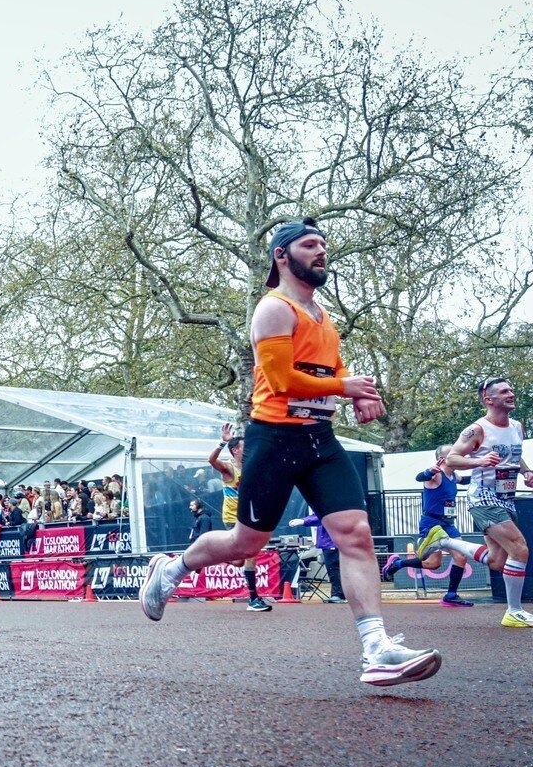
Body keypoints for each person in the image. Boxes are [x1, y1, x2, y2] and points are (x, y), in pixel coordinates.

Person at [140, 218, 441, 687]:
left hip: (320, 439)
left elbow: (333, 369)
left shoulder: (324, 319)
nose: (321, 251)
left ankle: (377, 648)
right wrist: (344, 386)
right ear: (282, 255)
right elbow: (280, 382)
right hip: (274, 438)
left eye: (323, 245)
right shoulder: (273, 310)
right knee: (247, 544)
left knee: (356, 534)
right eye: (309, 244)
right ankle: (172, 568)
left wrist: (358, 393)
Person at [422, 377, 533, 627]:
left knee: (497, 561)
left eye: (511, 390)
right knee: (520, 548)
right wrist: (479, 461)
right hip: (483, 497)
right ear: (488, 398)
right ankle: (514, 611)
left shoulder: (517, 426)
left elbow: (514, 454)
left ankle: (444, 541)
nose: (511, 394)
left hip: (506, 497)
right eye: (504, 391)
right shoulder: (476, 429)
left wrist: (526, 471)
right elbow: (452, 459)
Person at [380, 445, 474, 607]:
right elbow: (420, 477)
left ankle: (451, 596)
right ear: (443, 458)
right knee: (432, 563)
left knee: (459, 556)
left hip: (448, 524)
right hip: (432, 524)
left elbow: (465, 480)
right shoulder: (435, 475)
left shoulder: (453, 476)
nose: (457, 456)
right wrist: (429, 472)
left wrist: (485, 473)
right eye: (454, 454)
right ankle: (398, 564)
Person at [208, 423, 271, 611]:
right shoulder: (229, 469)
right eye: (245, 447)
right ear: (235, 450)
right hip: (233, 518)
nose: (249, 449)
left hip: (249, 516)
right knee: (251, 555)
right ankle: (253, 599)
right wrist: (221, 443)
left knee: (238, 561)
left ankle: (208, 556)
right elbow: (211, 460)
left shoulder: (251, 467)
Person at [287, 513, 346, 602]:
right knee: (335, 569)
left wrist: (303, 521)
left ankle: (338, 595)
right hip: (331, 542)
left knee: (334, 569)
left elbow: (322, 516)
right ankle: (339, 594)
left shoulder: (332, 505)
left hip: (332, 542)